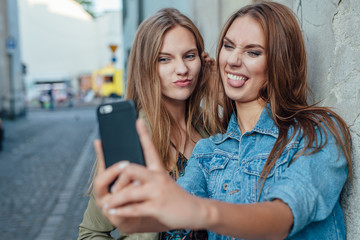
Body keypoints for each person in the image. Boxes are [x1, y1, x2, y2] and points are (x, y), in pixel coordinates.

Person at [93, 1, 353, 240]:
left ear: (278, 62)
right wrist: (134, 212)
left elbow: (282, 217)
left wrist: (201, 212)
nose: (232, 60)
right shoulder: (208, 151)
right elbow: (171, 215)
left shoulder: (316, 132)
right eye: (228, 46)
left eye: (253, 52)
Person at [78, 8, 217, 240]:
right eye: (164, 59)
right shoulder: (131, 137)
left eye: (189, 56)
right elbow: (91, 232)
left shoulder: (212, 129)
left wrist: (219, 97)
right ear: (146, 66)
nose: (182, 69)